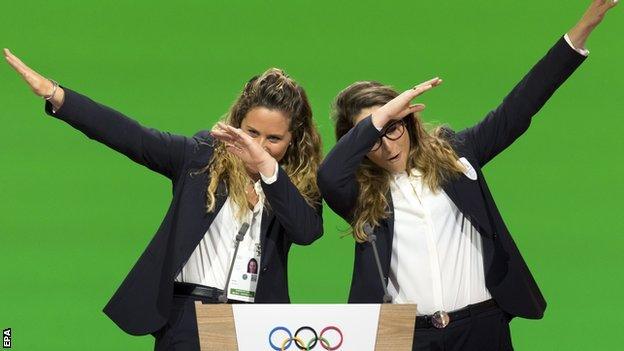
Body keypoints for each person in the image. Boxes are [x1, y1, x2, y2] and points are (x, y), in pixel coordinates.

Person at [317, 1, 617, 350]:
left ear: (409, 120)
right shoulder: (359, 193)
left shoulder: (455, 154)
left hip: (482, 326)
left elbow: (518, 108)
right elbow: (328, 175)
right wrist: (381, 118)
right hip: (406, 336)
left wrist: (582, 29)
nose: (386, 145)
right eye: (372, 137)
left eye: (394, 127)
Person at [4, 51, 324, 350]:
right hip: (189, 317)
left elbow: (306, 232)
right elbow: (132, 136)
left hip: (260, 324)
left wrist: (269, 170)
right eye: (251, 133)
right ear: (237, 124)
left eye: (274, 139)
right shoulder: (199, 158)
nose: (259, 146)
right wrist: (56, 94)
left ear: (293, 137)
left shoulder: (296, 184)